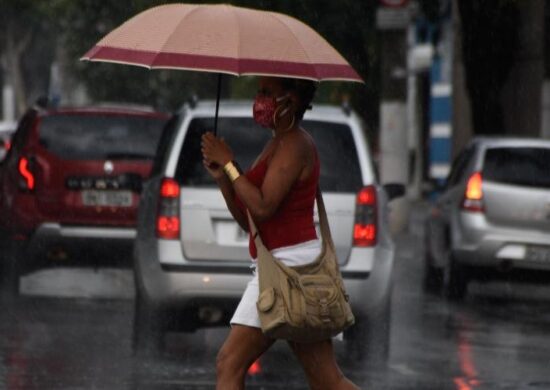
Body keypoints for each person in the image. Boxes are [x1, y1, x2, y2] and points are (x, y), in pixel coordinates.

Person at [201, 76, 359, 390]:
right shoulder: (279, 143)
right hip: (282, 265)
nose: (259, 100)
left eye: (266, 93)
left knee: (229, 363)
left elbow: (263, 206)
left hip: (289, 271)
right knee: (326, 381)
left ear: (291, 100)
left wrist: (231, 164)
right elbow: (250, 221)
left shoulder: (296, 144)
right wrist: (223, 176)